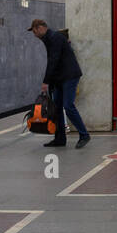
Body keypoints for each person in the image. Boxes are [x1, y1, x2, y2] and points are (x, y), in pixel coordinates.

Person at [30, 19, 90, 148]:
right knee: (56, 108)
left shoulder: (55, 38)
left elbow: (54, 60)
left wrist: (46, 81)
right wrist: (51, 82)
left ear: (40, 28)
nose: (34, 34)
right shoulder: (48, 38)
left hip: (69, 76)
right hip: (59, 78)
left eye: (34, 31)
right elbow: (54, 62)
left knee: (68, 106)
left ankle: (84, 135)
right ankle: (60, 138)